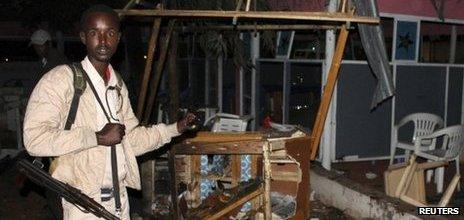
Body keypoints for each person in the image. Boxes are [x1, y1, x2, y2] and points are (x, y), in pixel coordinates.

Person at [23, 5, 195, 220]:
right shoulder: (61, 80)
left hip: (119, 201)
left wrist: (175, 128)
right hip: (83, 204)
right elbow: (34, 140)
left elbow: (131, 140)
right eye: (95, 33)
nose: (103, 41)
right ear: (84, 37)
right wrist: (96, 137)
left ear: (118, 37)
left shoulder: (117, 86)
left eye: (110, 33)